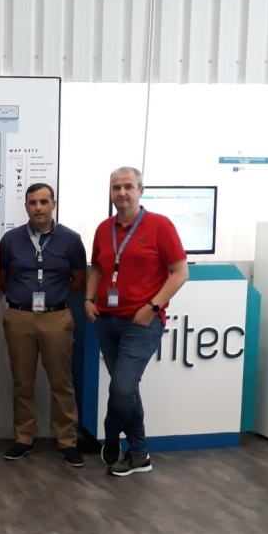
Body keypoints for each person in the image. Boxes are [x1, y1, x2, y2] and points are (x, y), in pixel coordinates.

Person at [85, 166, 188, 477]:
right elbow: (98, 269)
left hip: (141, 323)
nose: (122, 192)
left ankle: (111, 433)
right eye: (116, 187)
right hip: (107, 320)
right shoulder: (104, 229)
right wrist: (88, 300)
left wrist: (153, 307)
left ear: (140, 190)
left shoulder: (160, 226)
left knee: (122, 387)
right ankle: (140, 454)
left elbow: (180, 272)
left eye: (128, 186)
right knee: (127, 389)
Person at [0, 183, 87, 467]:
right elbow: (2, 277)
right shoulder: (11, 240)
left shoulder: (71, 240)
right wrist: (21, 297)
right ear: (26, 206)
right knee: (22, 381)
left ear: (53, 204)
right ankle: (24, 438)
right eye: (33, 202)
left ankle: (67, 441)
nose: (38, 208)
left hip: (56, 317)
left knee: (61, 382)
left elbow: (79, 279)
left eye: (44, 202)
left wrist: (56, 299)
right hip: (20, 317)